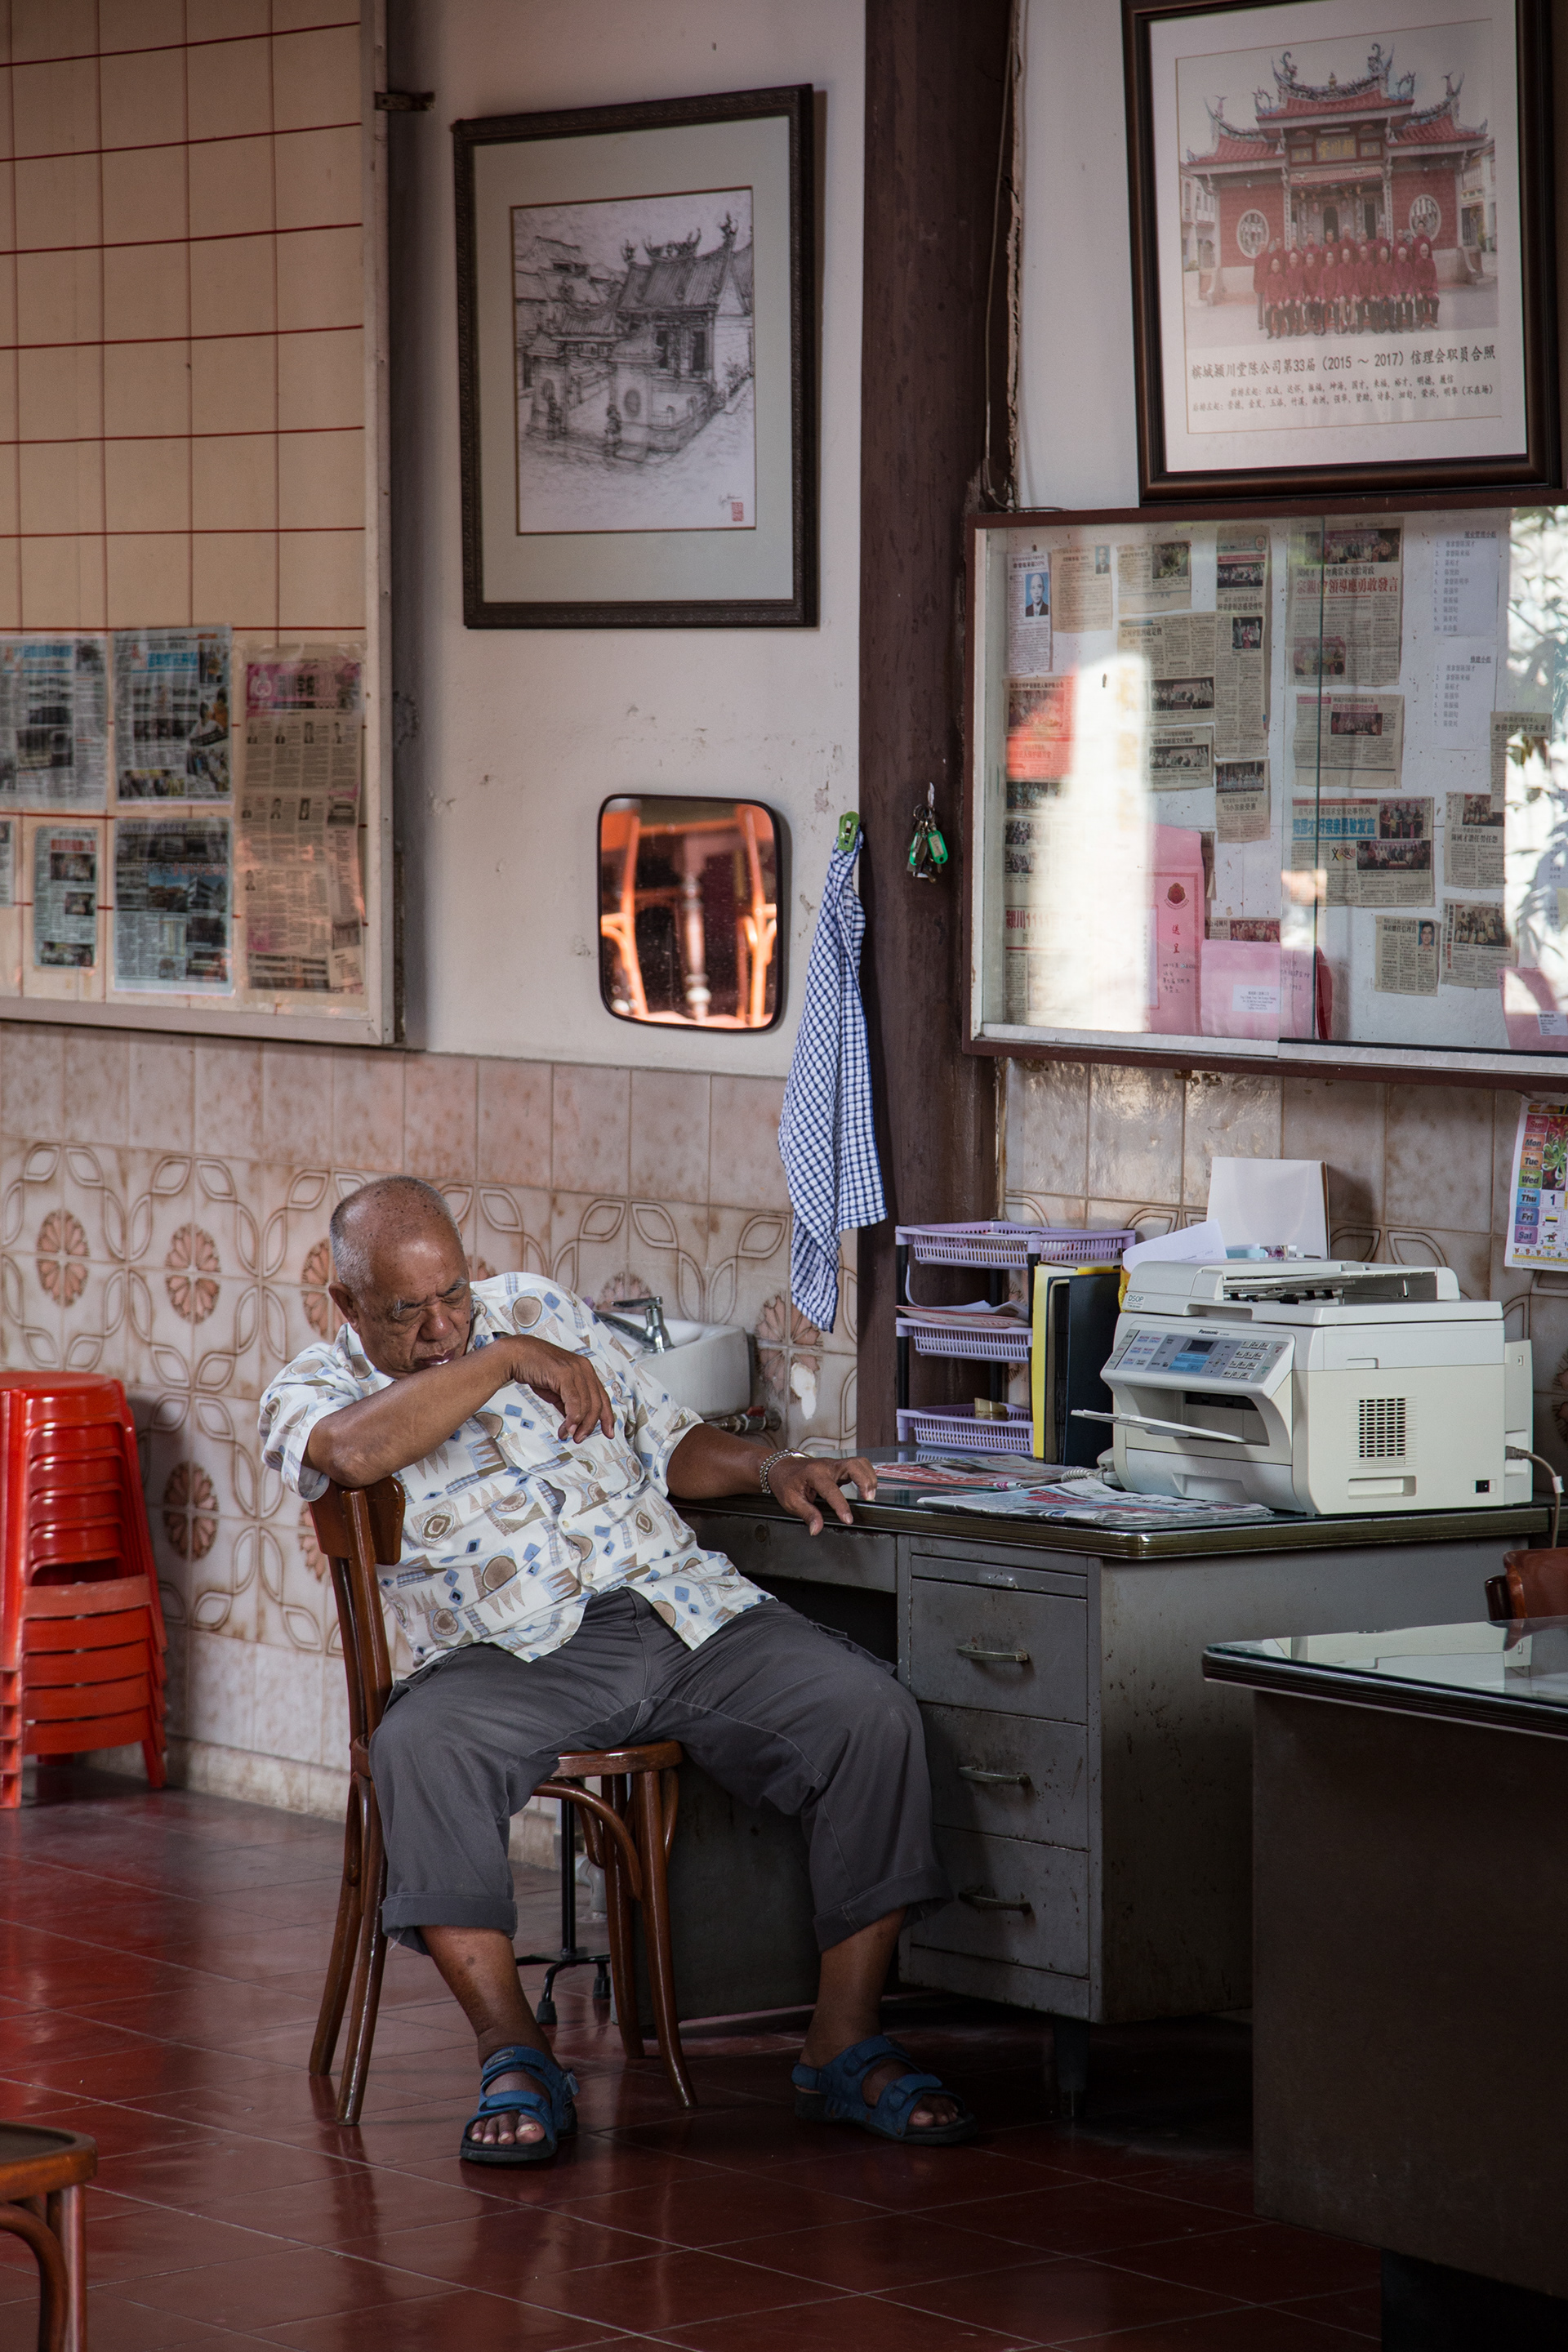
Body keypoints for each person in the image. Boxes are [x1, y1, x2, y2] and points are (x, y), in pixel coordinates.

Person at [258, 1177, 973, 2165]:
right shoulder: (314, 1388)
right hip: (508, 1654)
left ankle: (842, 2043)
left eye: (454, 1295)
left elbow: (668, 1439)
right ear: (346, 1306)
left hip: (683, 1610)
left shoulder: (539, 1307)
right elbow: (351, 1451)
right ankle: (516, 2053)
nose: (442, 1325)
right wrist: (505, 1360)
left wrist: (772, 1468)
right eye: (407, 1310)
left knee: (870, 1715)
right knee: (418, 1747)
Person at [1413, 234, 1438, 327]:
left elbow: (1434, 278)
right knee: (1418, 299)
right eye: (1422, 251)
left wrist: (1435, 291)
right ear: (1420, 252)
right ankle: (1421, 321)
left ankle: (1434, 320)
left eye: (1426, 251)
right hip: (1421, 290)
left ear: (1428, 251)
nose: (1424, 253)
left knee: (1436, 300)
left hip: (1429, 290)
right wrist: (1418, 292)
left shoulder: (1431, 262)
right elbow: (1416, 280)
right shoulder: (1417, 263)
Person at [1263, 250, 1287, 338]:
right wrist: (1267, 302)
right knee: (1267, 312)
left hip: (1278, 301)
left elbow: (1283, 290)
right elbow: (1267, 291)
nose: (1275, 266)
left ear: (1279, 266)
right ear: (1271, 267)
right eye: (1274, 265)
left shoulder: (1281, 277)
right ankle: (1270, 332)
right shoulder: (1269, 278)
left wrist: (1280, 301)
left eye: (1277, 264)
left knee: (1281, 312)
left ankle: (1279, 331)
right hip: (1271, 301)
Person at [1392, 238, 1414, 332]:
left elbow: (1411, 281)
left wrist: (1409, 293)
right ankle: (1399, 324)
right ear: (1398, 256)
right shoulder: (1396, 266)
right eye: (1400, 255)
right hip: (1399, 291)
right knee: (1398, 303)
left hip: (1407, 291)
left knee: (1409, 304)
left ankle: (1410, 324)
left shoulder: (1409, 266)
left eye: (1404, 255)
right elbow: (1395, 281)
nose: (1402, 256)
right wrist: (1397, 293)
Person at [1318, 238, 1339, 335]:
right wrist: (1323, 297)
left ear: (1333, 259)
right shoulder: (1323, 271)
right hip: (1326, 296)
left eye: (1331, 258)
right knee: (1322, 306)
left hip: (1334, 296)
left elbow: (1339, 284)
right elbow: (1321, 285)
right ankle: (1323, 327)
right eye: (1328, 258)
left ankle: (1337, 326)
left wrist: (1336, 296)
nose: (1330, 259)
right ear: (1326, 259)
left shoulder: (1336, 270)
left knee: (1336, 304)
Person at [1302, 235, 1321, 334]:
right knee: (1307, 305)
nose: (1310, 260)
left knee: (1317, 304)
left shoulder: (1317, 269)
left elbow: (1319, 284)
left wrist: (1317, 295)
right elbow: (1304, 285)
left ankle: (1316, 326)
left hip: (1315, 293)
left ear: (1313, 260)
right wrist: (1307, 295)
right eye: (1308, 258)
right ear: (1306, 260)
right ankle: (1306, 326)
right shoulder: (1304, 269)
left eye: (1311, 259)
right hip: (1308, 294)